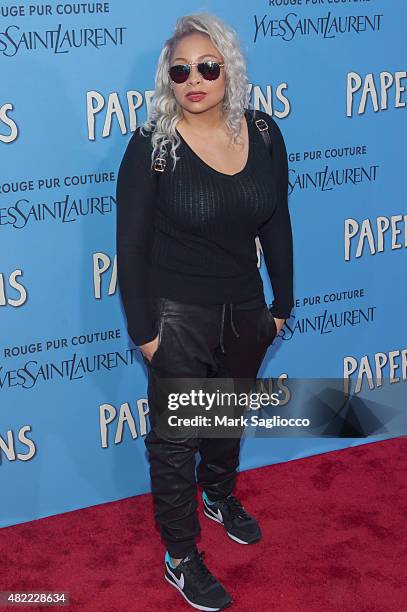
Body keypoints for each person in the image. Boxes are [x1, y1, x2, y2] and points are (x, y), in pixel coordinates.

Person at [116, 12, 294, 611]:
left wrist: (281, 306)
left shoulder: (264, 133)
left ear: (229, 71)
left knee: (225, 417)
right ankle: (181, 555)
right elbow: (131, 249)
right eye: (182, 69)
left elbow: (277, 223)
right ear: (169, 78)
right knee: (174, 442)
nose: (195, 79)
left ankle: (218, 494)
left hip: (245, 307)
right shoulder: (152, 147)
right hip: (176, 317)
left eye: (208, 67)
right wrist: (146, 334)